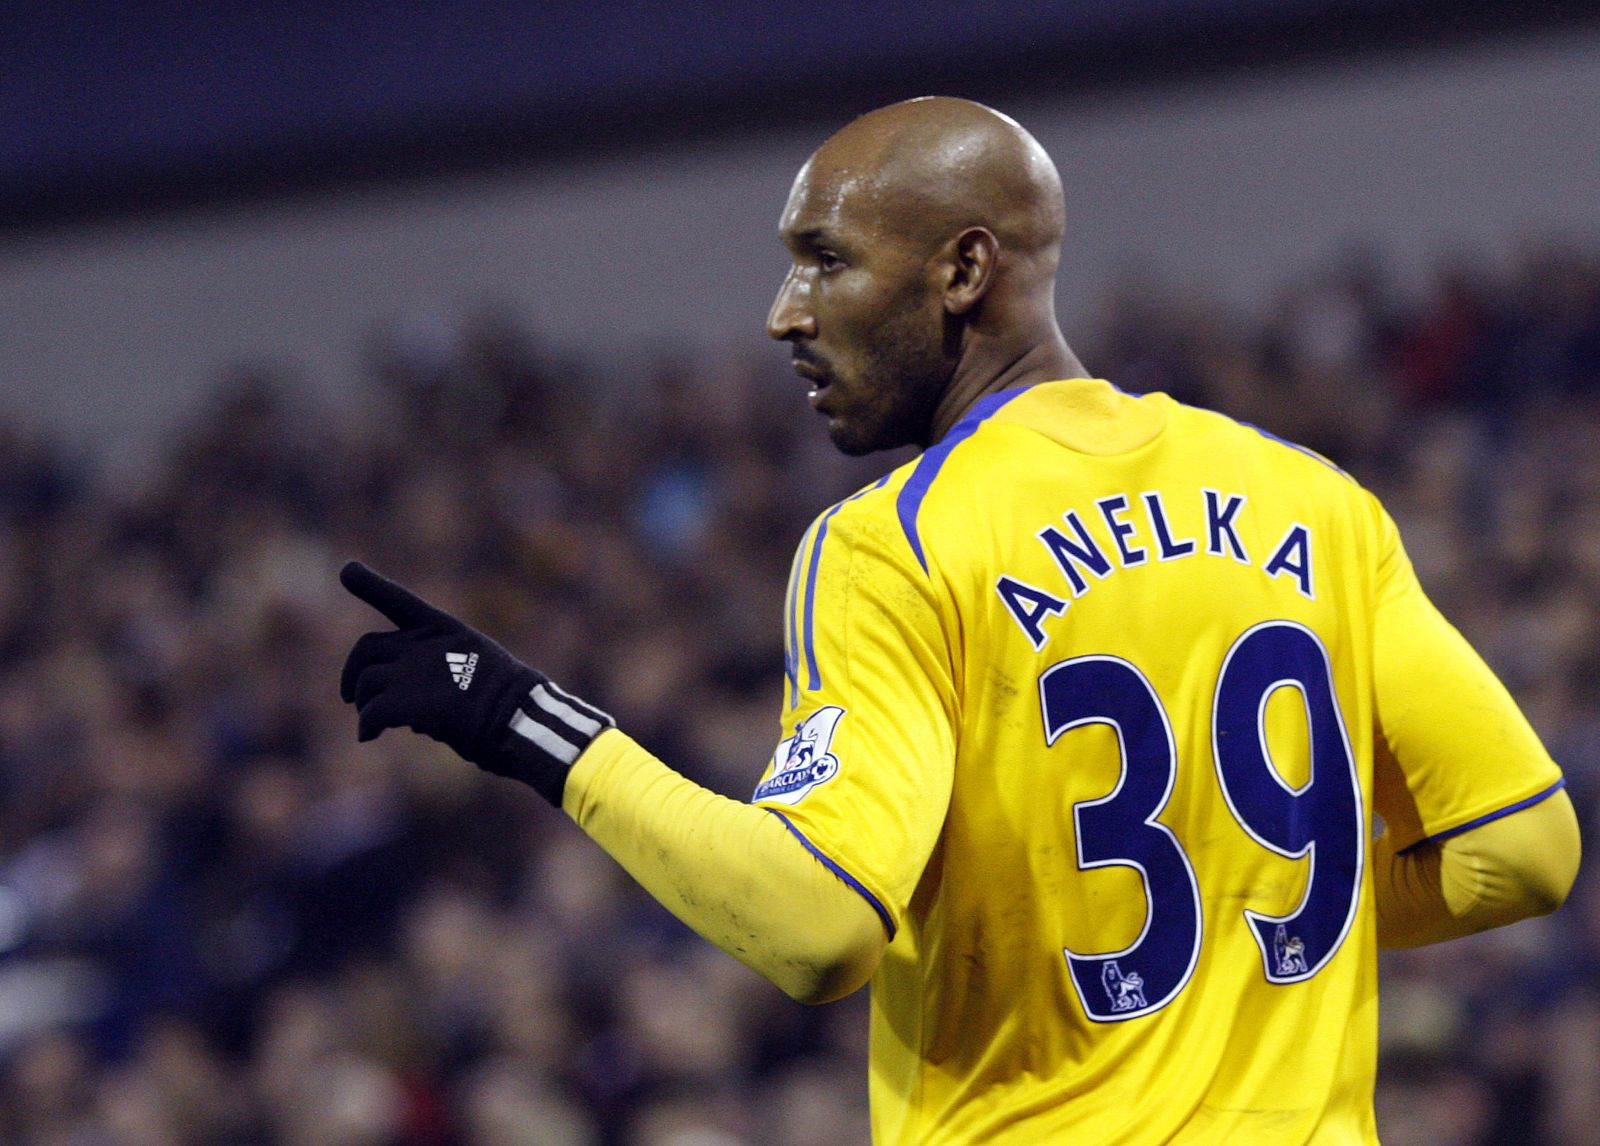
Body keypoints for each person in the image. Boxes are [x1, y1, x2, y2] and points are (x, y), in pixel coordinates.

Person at [338, 97, 1581, 1143]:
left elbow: (813, 926)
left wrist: (525, 723)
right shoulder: (1312, 500)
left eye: (826, 260)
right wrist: (1241, 913)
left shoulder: (898, 541)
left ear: (963, 270)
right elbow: (1522, 850)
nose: (785, 311)